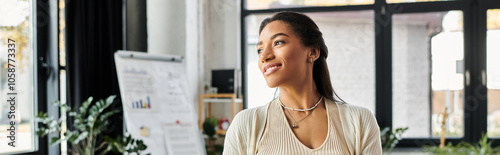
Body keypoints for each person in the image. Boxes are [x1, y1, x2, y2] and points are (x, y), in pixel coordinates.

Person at [223, 11, 382, 155]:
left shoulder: (359, 121)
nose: (264, 56)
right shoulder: (247, 124)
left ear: (312, 52)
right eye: (259, 50)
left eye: (278, 42)